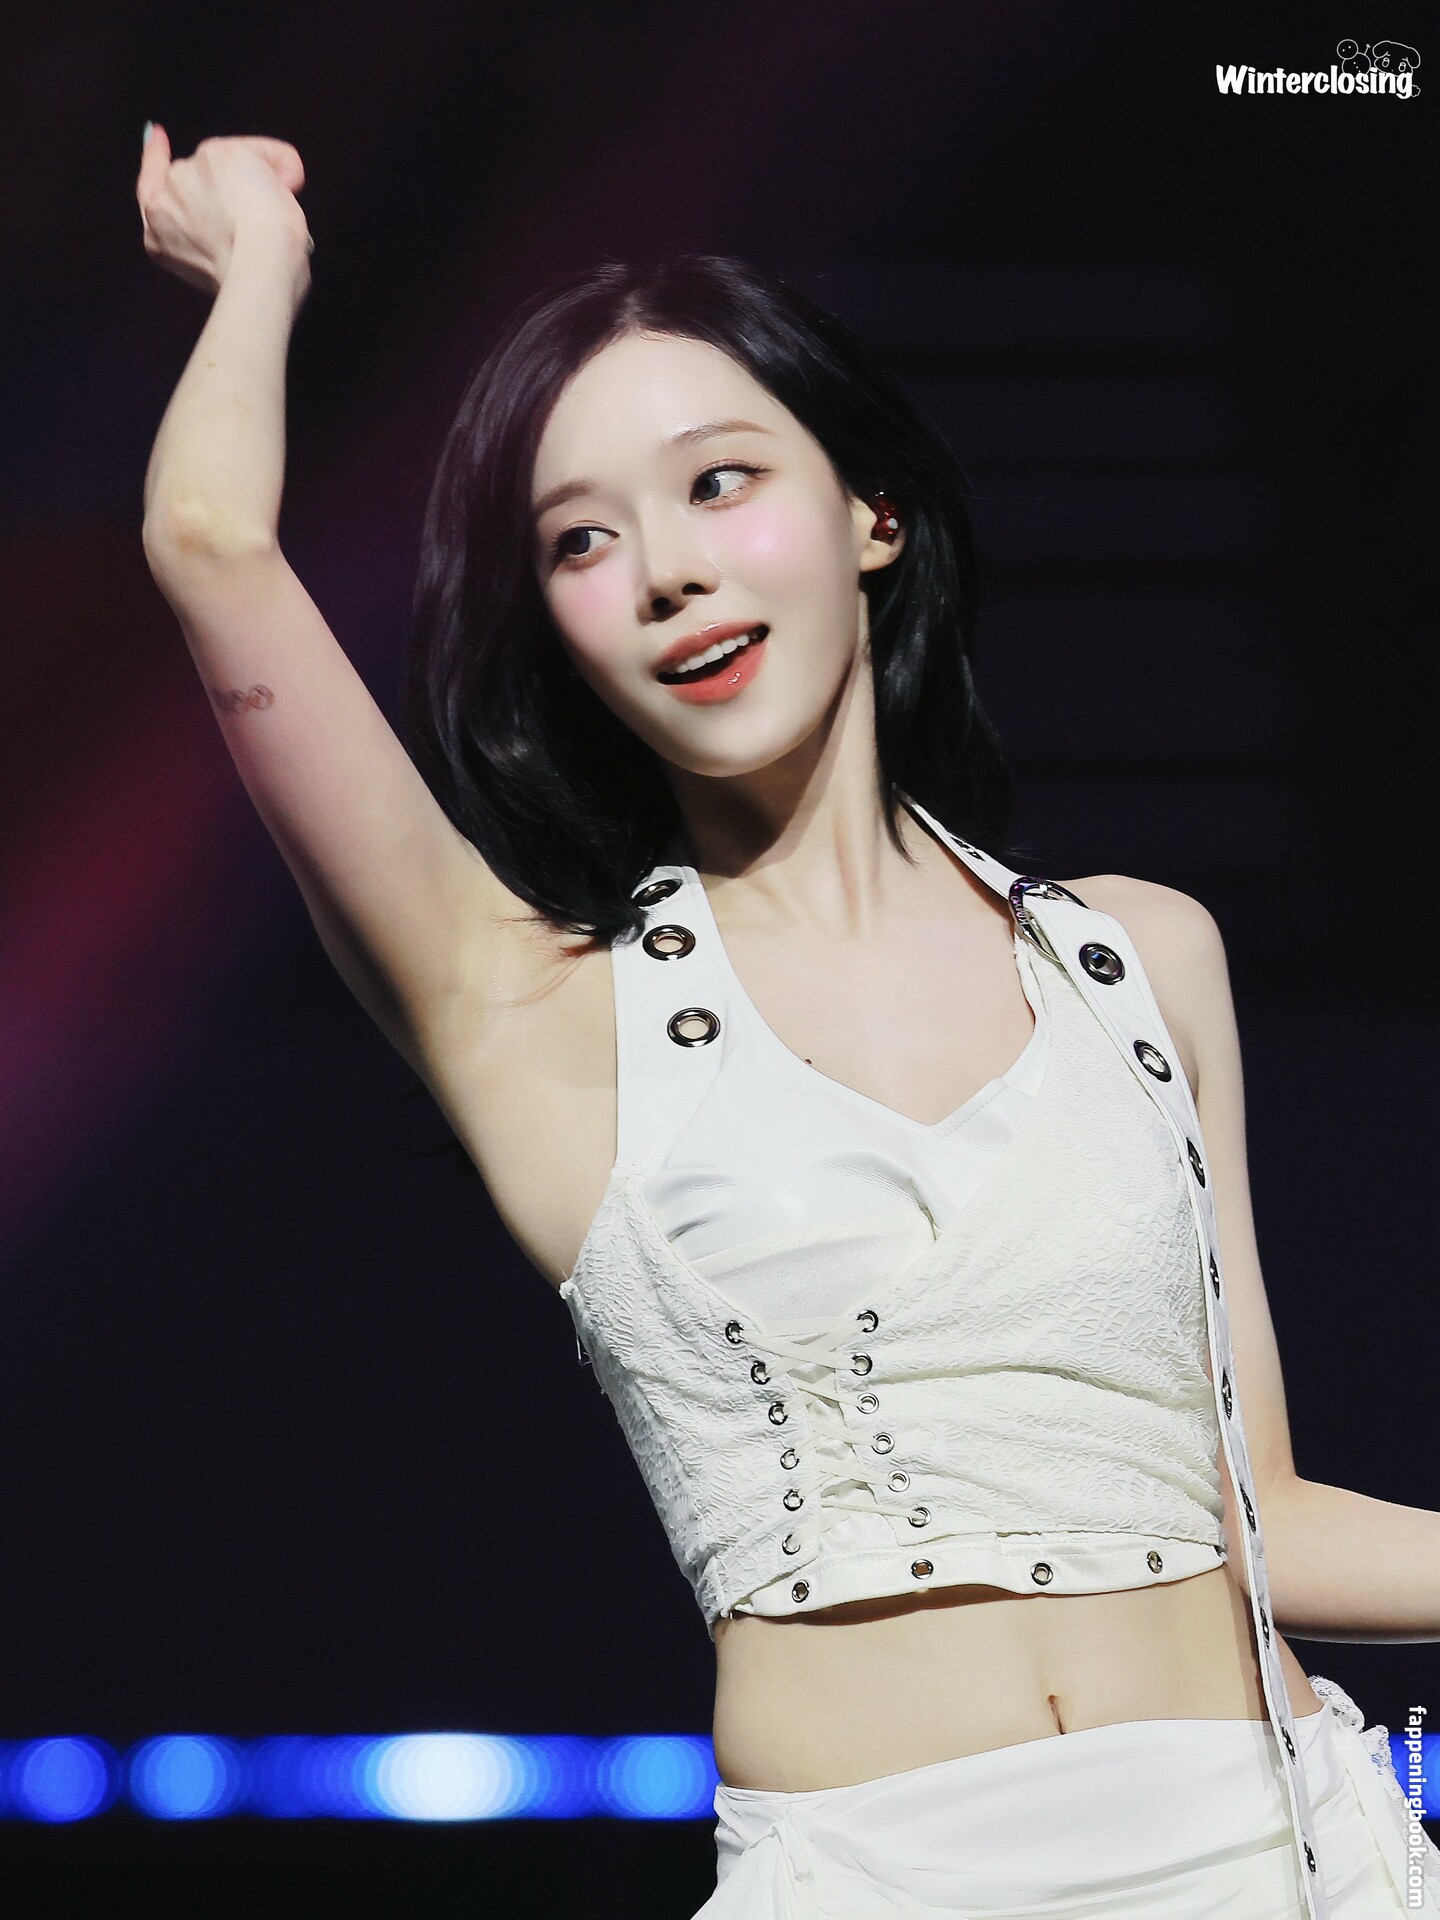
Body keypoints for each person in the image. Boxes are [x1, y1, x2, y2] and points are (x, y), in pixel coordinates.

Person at [134, 127, 1439, 1918]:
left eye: (720, 481)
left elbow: (1257, 1516)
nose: (665, 569)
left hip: (1284, 1856)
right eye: (583, 539)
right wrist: (261, 264)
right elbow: (209, 544)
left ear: (869, 514)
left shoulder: (1143, 957)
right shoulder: (528, 1002)